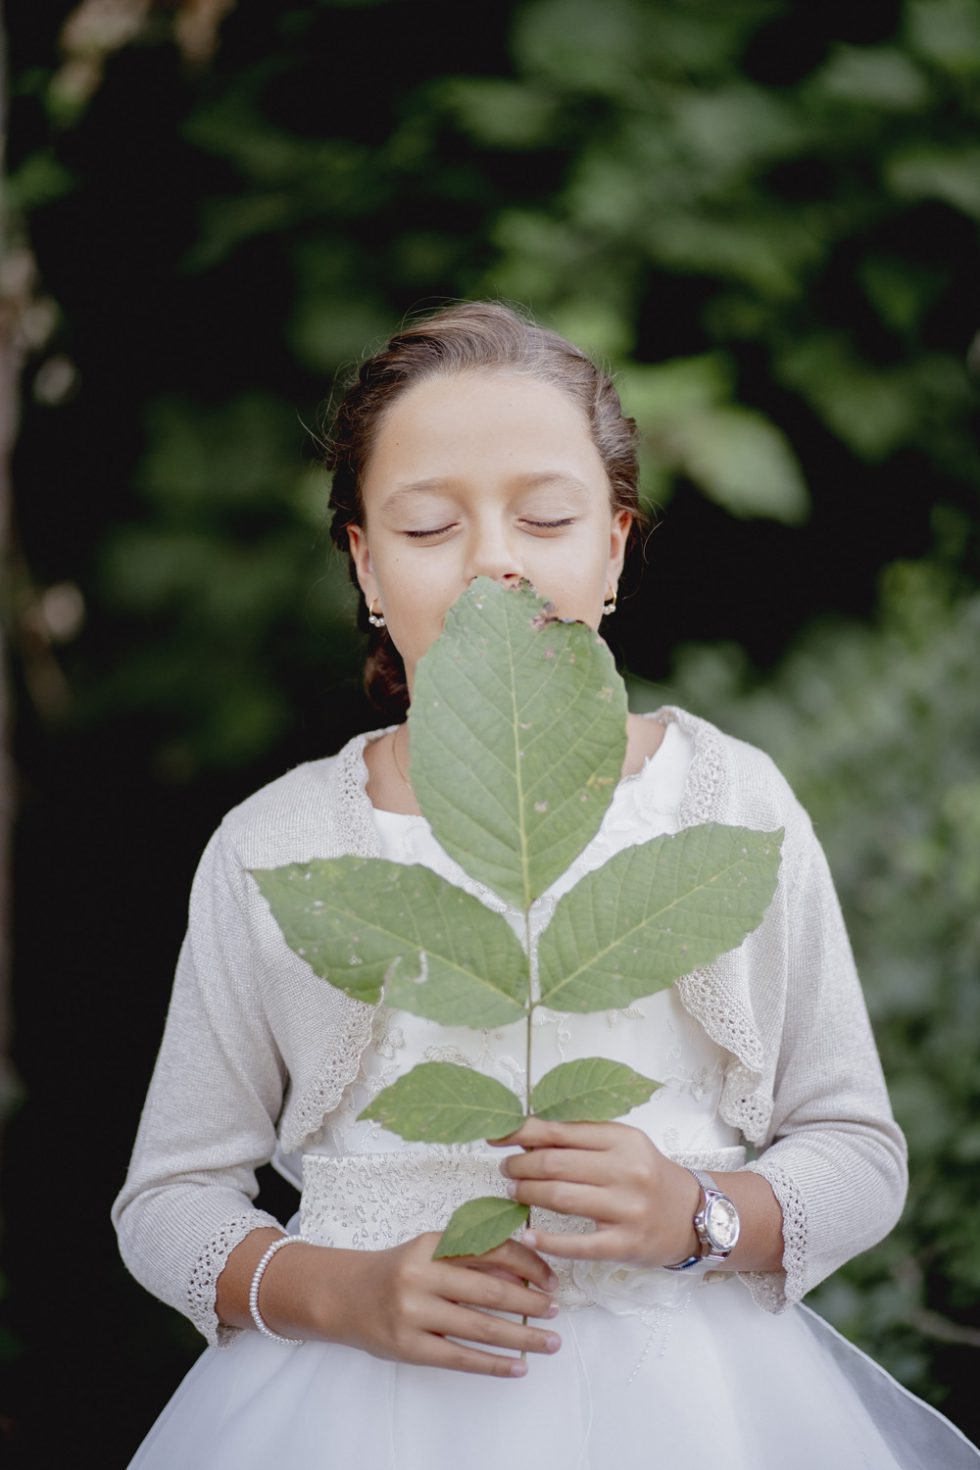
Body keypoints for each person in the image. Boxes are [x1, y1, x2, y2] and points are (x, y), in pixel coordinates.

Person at [113, 301, 979, 1469]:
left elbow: (854, 1147)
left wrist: (701, 1218)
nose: (494, 560)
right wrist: (341, 1295)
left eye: (546, 516)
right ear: (364, 561)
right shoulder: (274, 849)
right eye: (427, 526)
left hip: (696, 1411)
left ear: (611, 545)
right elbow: (168, 1201)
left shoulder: (725, 805)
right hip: (355, 1412)